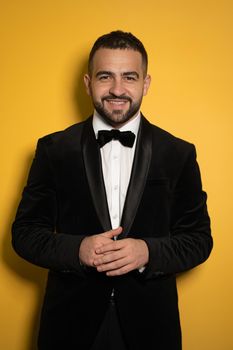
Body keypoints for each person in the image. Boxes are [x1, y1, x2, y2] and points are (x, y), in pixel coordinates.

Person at [12, 30, 213, 350]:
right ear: (88, 82)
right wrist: (77, 250)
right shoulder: (53, 149)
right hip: (68, 327)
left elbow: (199, 240)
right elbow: (24, 234)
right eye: (105, 76)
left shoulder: (178, 153)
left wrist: (147, 252)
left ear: (145, 83)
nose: (117, 89)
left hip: (152, 328)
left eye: (129, 77)